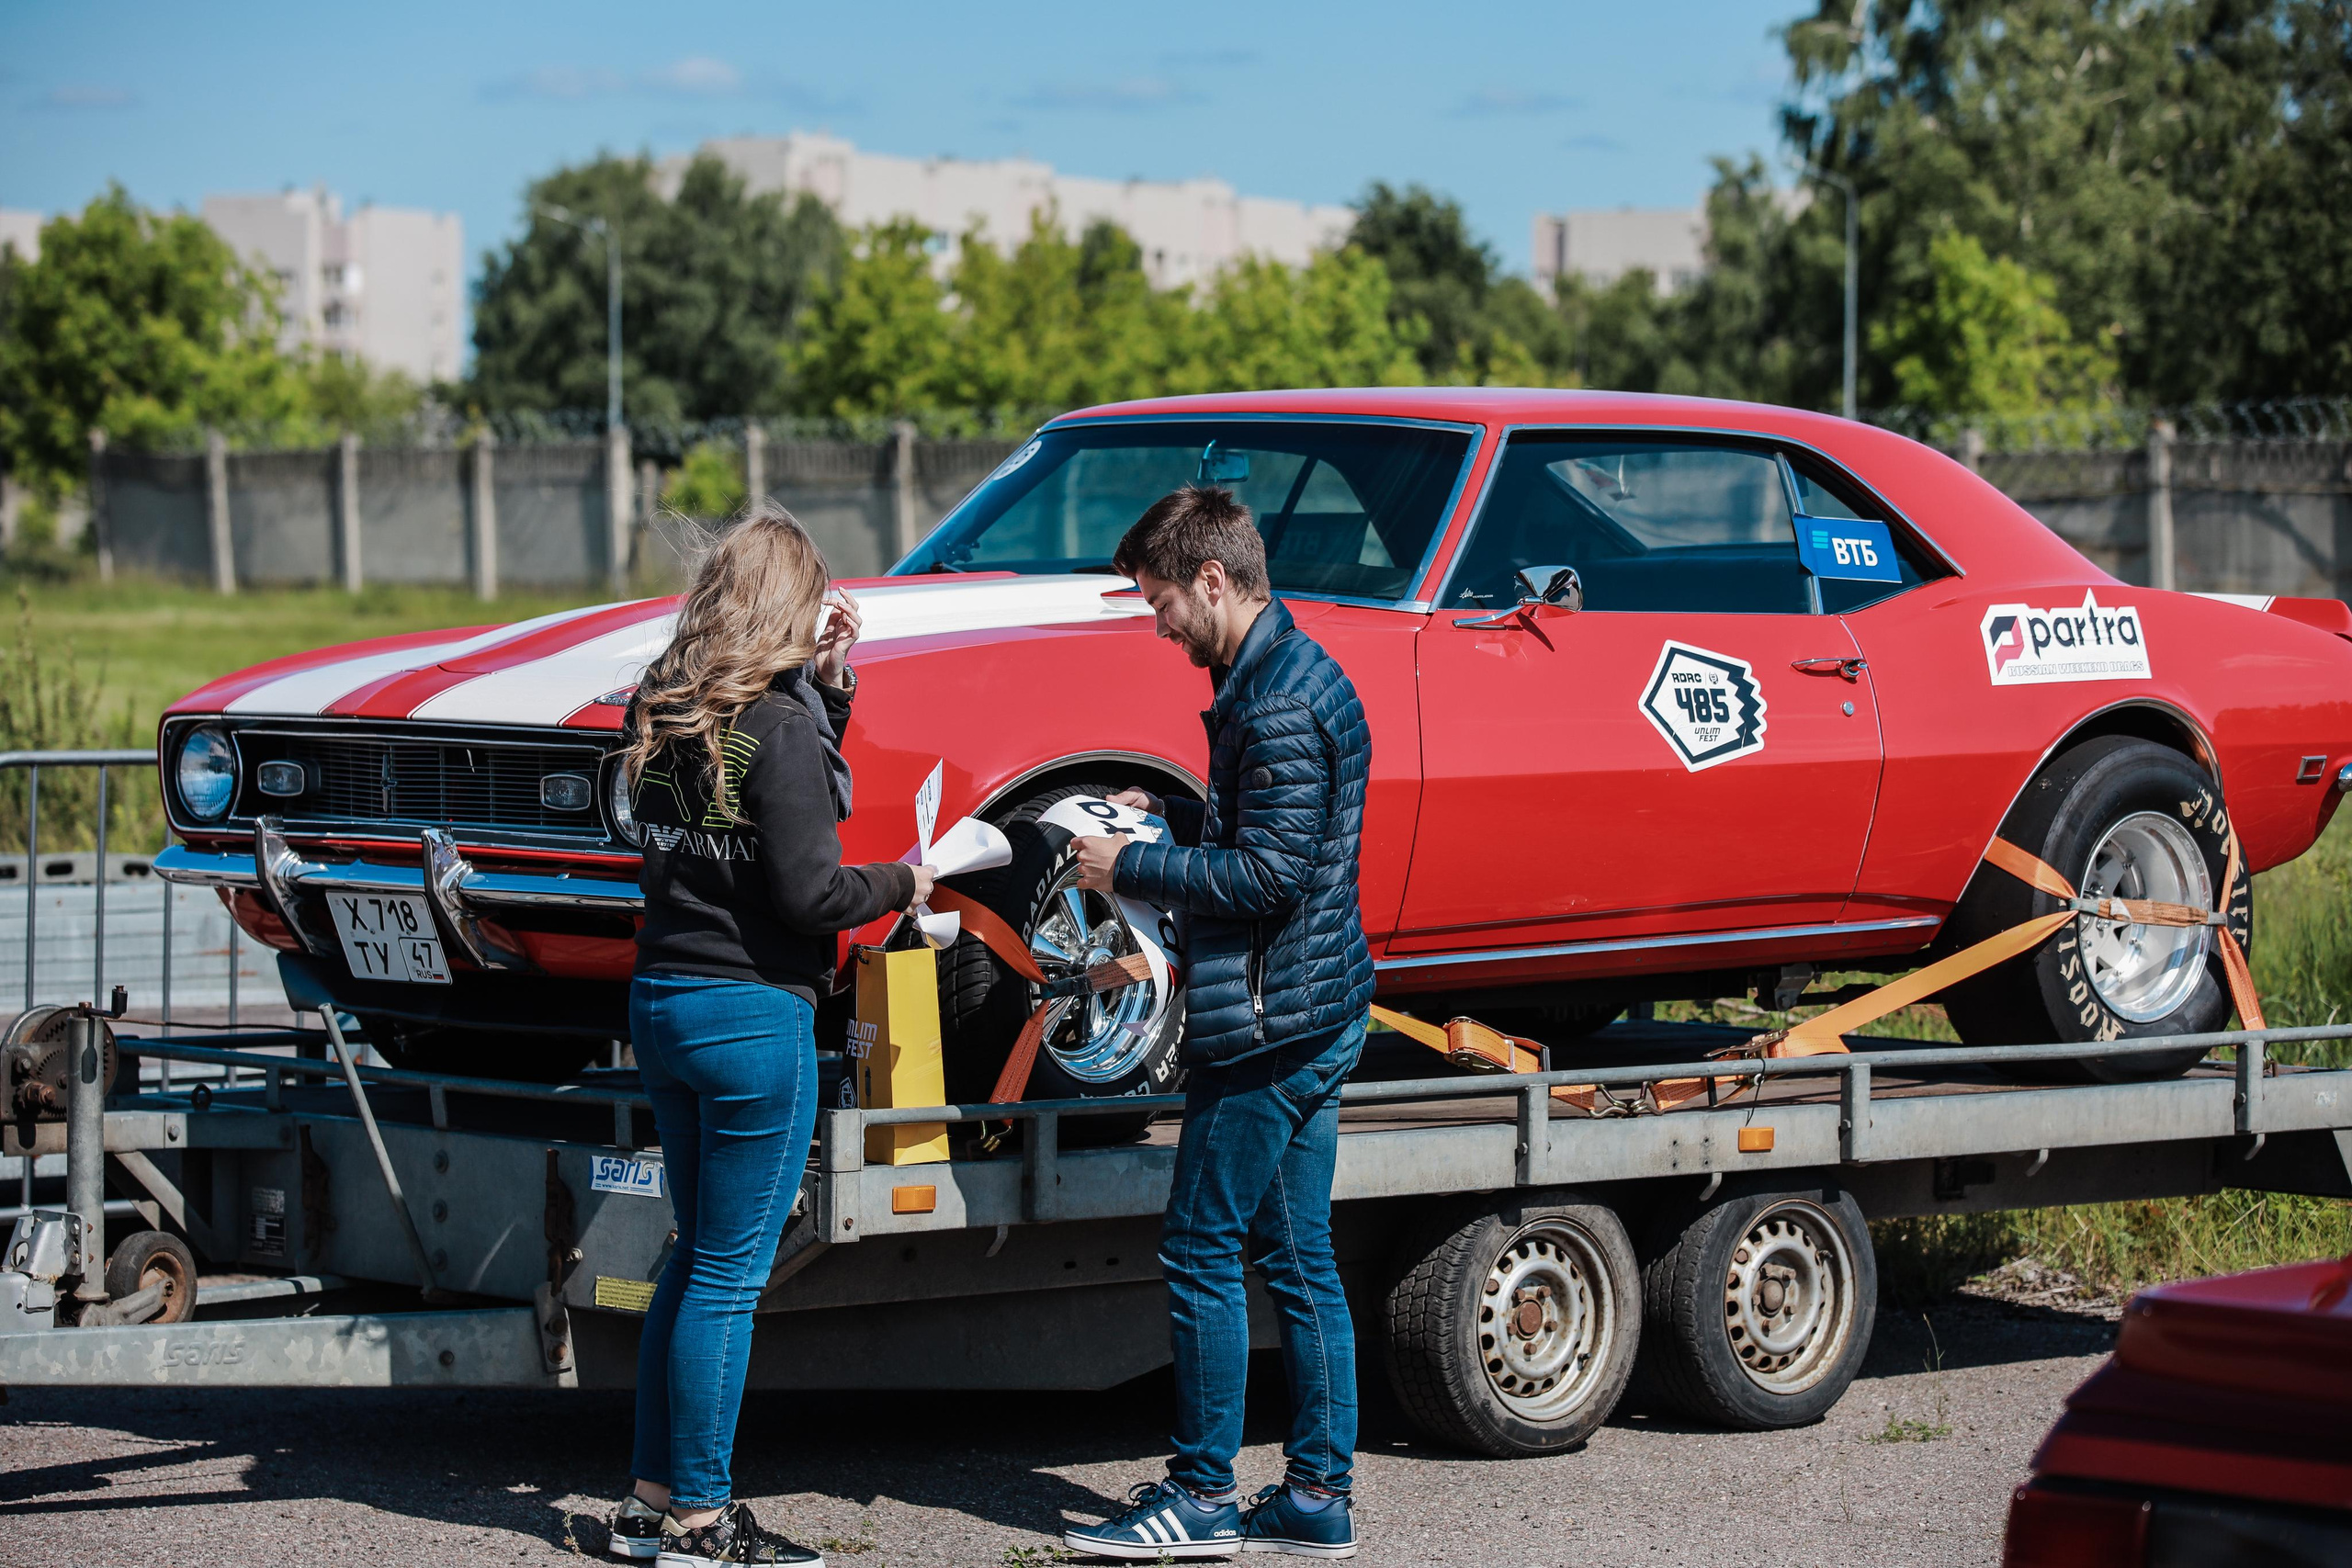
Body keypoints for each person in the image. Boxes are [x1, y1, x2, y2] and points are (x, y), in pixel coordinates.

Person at [606, 505, 934, 1568]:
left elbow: (736, 819)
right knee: (730, 1279)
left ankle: (648, 1503)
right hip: (752, 1015)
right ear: (794, 608)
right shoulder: (778, 729)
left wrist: (826, 687)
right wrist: (907, 881)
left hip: (662, 998)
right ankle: (704, 1518)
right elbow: (810, 891)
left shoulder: (661, 706)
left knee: (689, 1257)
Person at [1061, 485, 1374, 1562]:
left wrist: (1132, 860)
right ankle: (1315, 1501)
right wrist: (1185, 819)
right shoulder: (1287, 674)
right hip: (1318, 1009)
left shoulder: (1276, 701)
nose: (1156, 625)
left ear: (1211, 579)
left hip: (1268, 1030)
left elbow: (1274, 875)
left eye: (1160, 603)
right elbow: (1273, 839)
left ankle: (1198, 1501)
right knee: (1298, 1258)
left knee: (1198, 1250)